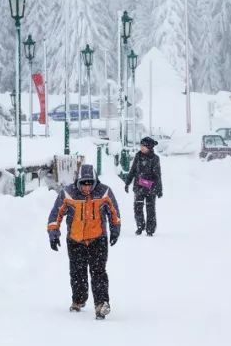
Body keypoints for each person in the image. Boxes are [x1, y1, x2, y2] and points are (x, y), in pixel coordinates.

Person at [47, 163, 121, 319]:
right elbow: (56, 214)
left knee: (98, 272)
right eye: (83, 184)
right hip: (75, 240)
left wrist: (115, 230)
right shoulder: (68, 194)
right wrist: (53, 233)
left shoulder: (104, 192)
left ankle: (101, 304)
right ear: (78, 182)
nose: (87, 188)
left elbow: (114, 212)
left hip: (98, 239)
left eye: (90, 184)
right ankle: (78, 300)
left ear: (95, 182)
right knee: (77, 272)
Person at [124, 136, 163, 236]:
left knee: (150, 209)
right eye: (141, 145)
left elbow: (158, 175)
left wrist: (159, 189)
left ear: (149, 147)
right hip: (138, 187)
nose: (141, 148)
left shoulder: (155, 159)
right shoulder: (138, 156)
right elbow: (132, 170)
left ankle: (150, 229)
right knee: (137, 208)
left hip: (151, 188)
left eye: (143, 146)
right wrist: (127, 182)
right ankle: (140, 226)